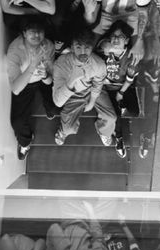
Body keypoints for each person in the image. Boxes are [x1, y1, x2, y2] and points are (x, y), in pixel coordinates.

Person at [52, 27, 125, 156]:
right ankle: (63, 131)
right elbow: (58, 102)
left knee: (111, 117)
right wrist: (72, 79)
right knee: (68, 128)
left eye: (87, 47)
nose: (83, 52)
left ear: (92, 48)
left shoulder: (98, 63)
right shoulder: (61, 64)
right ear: (72, 47)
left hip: (92, 90)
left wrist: (92, 101)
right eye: (78, 47)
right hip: (73, 94)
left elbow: (98, 83)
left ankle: (103, 131)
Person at [6, 17, 57, 160]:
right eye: (32, 32)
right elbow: (16, 89)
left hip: (42, 78)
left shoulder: (48, 45)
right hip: (25, 83)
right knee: (17, 121)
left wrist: (45, 75)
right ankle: (25, 141)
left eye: (40, 32)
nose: (36, 36)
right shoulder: (15, 51)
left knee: (55, 107)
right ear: (24, 33)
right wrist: (33, 65)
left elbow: (50, 80)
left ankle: (49, 108)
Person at [96, 20, 140, 158]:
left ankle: (119, 107)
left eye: (119, 36)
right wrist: (106, 45)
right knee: (115, 115)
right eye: (113, 36)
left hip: (124, 87)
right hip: (106, 87)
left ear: (126, 40)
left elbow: (130, 77)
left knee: (134, 112)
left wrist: (121, 93)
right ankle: (119, 138)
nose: (115, 39)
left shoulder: (131, 55)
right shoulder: (106, 49)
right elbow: (99, 46)